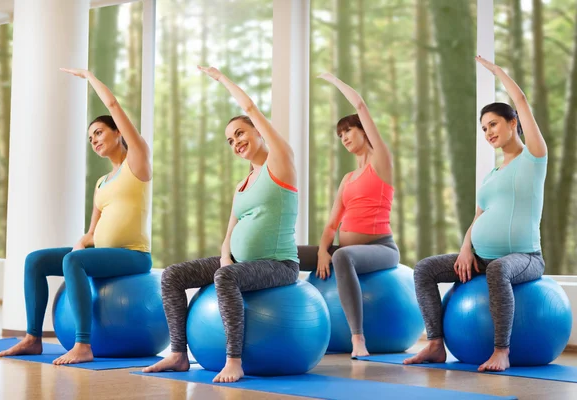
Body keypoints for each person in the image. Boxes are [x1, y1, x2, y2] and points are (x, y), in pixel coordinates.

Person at [142, 66, 299, 383]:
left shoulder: (280, 162)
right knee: (173, 275)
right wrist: (226, 255)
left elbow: (250, 108)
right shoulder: (242, 184)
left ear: (257, 131)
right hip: (238, 263)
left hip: (278, 264)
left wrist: (223, 80)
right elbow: (230, 231)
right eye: (230, 140)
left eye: (240, 133)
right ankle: (177, 354)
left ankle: (234, 360)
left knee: (225, 278)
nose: (236, 142)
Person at [0, 68, 153, 365]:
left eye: (99, 132)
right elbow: (92, 232)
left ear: (118, 132)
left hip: (132, 254)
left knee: (73, 261)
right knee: (36, 260)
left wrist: (91, 77)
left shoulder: (137, 162)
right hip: (103, 252)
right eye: (90, 137)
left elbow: (114, 107)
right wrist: (82, 242)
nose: (94, 140)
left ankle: (83, 344)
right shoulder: (101, 183)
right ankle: (32, 338)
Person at [404, 55, 548, 372]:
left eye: (493, 124)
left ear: (513, 124)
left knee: (498, 270)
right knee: (424, 269)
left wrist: (498, 73)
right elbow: (478, 217)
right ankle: (435, 344)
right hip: (480, 258)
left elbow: (521, 101)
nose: (488, 132)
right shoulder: (492, 174)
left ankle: (501, 351)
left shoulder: (534, 160)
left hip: (524, 257)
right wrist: (466, 248)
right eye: (484, 129)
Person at [298, 72, 400, 358]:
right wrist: (320, 251)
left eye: (348, 131)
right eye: (340, 135)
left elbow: (361, 106)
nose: (343, 137)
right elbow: (332, 224)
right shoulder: (348, 178)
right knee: (289, 253)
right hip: (347, 248)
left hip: (381, 248)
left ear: (364, 131)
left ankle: (358, 339)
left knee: (342, 256)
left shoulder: (381, 163)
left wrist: (333, 81)